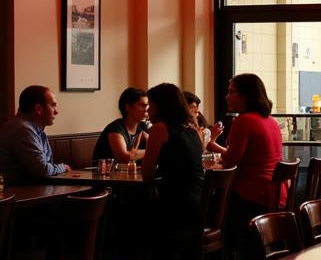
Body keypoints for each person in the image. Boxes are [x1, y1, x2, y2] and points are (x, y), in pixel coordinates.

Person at [207, 74, 284, 243]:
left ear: (246, 96)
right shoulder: (271, 121)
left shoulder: (243, 121)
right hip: (275, 194)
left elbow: (230, 161)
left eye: (232, 92)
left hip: (252, 197)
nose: (227, 96)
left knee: (205, 208)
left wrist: (214, 148)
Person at [141, 83, 204, 225]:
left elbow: (147, 174)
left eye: (150, 105)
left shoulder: (159, 129)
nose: (148, 110)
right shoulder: (193, 130)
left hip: (177, 206)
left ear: (161, 106)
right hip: (198, 203)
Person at [0, 85, 68, 184]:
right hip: (17, 194)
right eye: (53, 105)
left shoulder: (32, 128)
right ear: (39, 109)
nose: (56, 111)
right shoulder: (23, 129)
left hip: (28, 191)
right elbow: (42, 170)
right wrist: (63, 167)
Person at [92, 87, 151, 164]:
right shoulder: (116, 128)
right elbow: (124, 157)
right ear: (128, 107)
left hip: (129, 173)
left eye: (147, 105)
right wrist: (151, 150)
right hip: (105, 174)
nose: (147, 109)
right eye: (142, 105)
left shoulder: (142, 126)